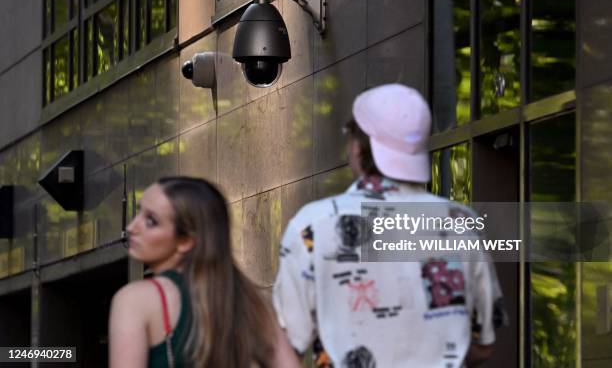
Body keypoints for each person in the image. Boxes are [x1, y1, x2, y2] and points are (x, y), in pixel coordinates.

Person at [273, 84, 505, 367]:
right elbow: (483, 346)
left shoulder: (313, 226)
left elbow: (287, 347)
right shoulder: (462, 223)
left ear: (358, 148)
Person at [109, 176, 300, 368]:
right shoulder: (251, 301)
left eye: (151, 221)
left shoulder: (135, 300)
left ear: (185, 241)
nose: (131, 227)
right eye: (138, 213)